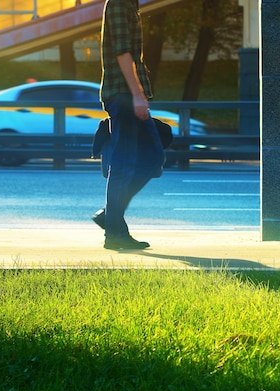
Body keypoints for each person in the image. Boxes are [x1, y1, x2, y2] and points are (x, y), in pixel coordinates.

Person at [92, 0, 165, 250]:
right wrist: (137, 95)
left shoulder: (129, 4)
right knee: (124, 164)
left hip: (128, 94)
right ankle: (113, 231)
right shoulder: (120, 3)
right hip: (123, 95)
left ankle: (110, 216)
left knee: (152, 157)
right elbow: (122, 53)